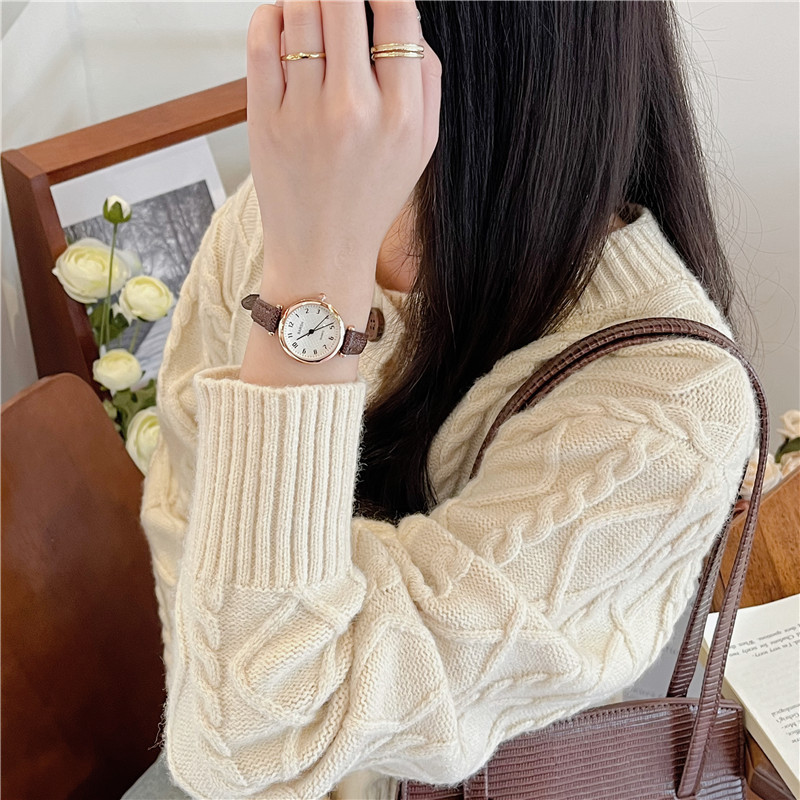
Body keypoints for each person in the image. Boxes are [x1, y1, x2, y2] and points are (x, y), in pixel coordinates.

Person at [132, 1, 759, 798]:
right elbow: (186, 540)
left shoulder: (671, 407)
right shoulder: (273, 220)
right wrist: (312, 248)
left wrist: (313, 286)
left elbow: (250, 739)